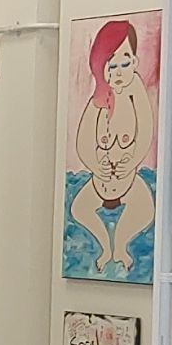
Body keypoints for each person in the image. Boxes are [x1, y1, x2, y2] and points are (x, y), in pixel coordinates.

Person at [69, 20, 155, 276]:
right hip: (99, 182)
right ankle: (105, 248)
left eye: (124, 64)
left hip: (129, 180)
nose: (118, 72)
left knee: (145, 210)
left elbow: (146, 130)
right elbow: (83, 141)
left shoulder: (135, 91)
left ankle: (120, 246)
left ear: (134, 62)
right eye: (111, 65)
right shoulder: (99, 98)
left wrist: (133, 160)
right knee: (78, 209)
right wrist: (97, 167)